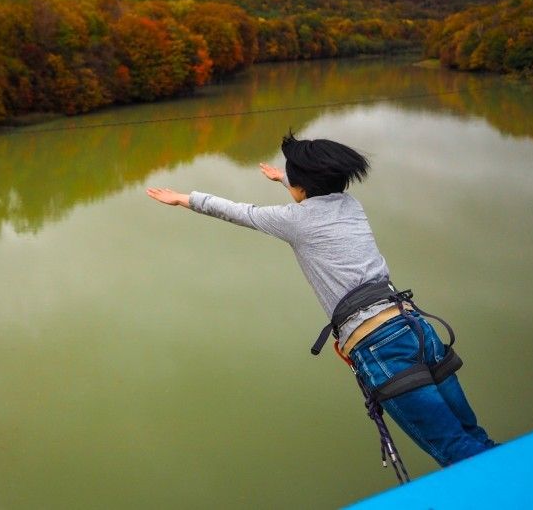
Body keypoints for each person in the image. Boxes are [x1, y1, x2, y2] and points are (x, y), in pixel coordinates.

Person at [146, 133, 496, 468]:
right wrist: (283, 178)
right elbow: (317, 193)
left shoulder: (294, 220)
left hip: (379, 346)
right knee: (472, 435)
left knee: (455, 450)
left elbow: (240, 211)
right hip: (414, 326)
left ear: (302, 188)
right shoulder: (351, 204)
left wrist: (184, 198)